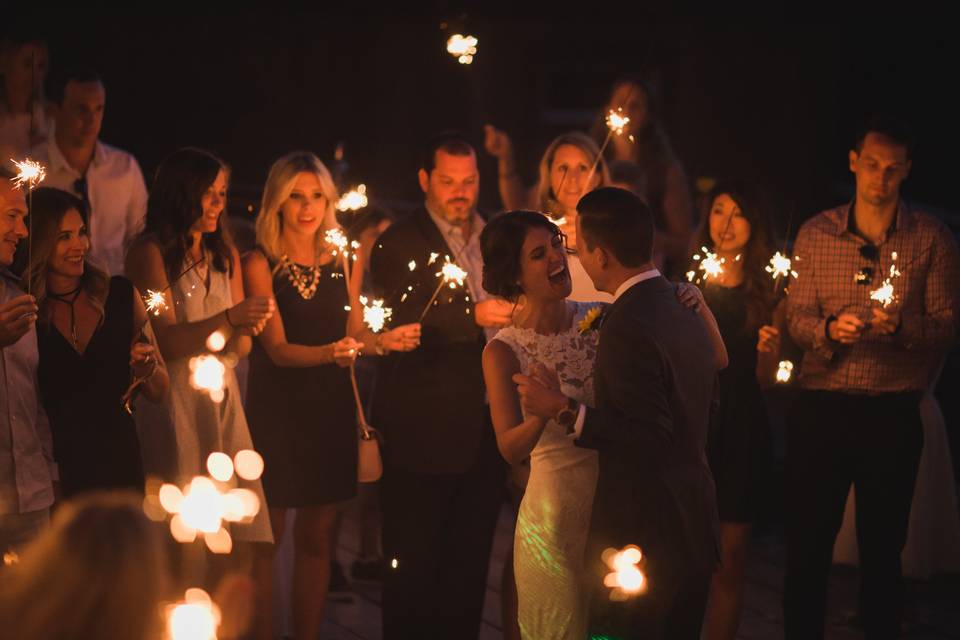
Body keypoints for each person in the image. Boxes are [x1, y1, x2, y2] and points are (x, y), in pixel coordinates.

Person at [481, 209, 720, 638]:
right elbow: (509, 449)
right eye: (539, 254)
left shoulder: (606, 317)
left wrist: (697, 308)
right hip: (553, 520)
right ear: (514, 275)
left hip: (619, 510)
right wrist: (539, 415)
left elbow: (714, 361)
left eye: (557, 242)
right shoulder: (503, 351)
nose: (557, 256)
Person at [785, 117, 960, 639]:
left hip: (891, 411)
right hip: (823, 406)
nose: (880, 178)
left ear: (907, 171)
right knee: (807, 547)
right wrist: (829, 329)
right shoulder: (817, 233)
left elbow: (948, 325)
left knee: (884, 550)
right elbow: (794, 317)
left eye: (893, 168)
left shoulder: (931, 238)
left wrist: (903, 326)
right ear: (853, 162)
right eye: (872, 164)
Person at [242, 152, 418, 640]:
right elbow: (275, 349)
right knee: (267, 539)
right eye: (295, 196)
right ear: (276, 201)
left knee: (318, 535)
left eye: (316, 196)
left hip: (330, 408)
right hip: (278, 410)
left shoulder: (345, 256)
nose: (307, 207)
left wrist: (383, 341)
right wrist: (331, 354)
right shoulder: (259, 262)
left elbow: (355, 332)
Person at [369, 132, 509, 638]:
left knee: (469, 570)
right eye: (448, 181)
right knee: (412, 569)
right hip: (420, 431)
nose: (460, 192)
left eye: (469, 181)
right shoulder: (399, 239)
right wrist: (473, 316)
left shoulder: (496, 236)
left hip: (485, 430)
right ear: (425, 179)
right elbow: (394, 318)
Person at [125, 147, 274, 544]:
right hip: (173, 400)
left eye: (222, 193)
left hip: (221, 398)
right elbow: (168, 342)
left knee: (232, 535)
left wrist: (249, 326)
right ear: (180, 193)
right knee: (180, 532)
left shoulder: (223, 255)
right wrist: (230, 319)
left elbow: (240, 348)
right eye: (208, 192)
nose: (217, 204)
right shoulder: (149, 254)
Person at [23, 187, 168, 498]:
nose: (79, 246)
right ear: (39, 241)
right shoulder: (27, 311)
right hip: (59, 473)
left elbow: (160, 389)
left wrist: (147, 368)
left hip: (120, 461)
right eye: (64, 237)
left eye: (82, 233)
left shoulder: (120, 295)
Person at [691, 181, 780, 640]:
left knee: (730, 559)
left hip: (741, 426)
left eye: (737, 214)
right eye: (718, 211)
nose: (725, 224)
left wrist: (772, 352)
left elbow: (768, 381)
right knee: (684, 558)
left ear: (755, 223)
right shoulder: (689, 280)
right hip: (694, 425)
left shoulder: (770, 288)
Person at [35, 68, 147, 276]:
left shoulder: (124, 168)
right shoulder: (33, 169)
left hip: (114, 286)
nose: (91, 120)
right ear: (56, 110)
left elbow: (140, 237)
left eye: (98, 109)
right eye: (81, 109)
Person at [484, 129, 613, 302]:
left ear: (597, 177)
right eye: (563, 168)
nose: (572, 178)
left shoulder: (615, 231)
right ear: (549, 176)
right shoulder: (536, 235)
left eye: (582, 168)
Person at [0, 167, 54, 552]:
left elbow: (32, 397)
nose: (22, 231)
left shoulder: (16, 294)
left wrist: (48, 471)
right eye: (10, 216)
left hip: (31, 499)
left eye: (24, 219)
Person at [591, 77, 694, 276]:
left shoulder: (665, 169)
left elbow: (685, 243)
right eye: (620, 104)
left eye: (635, 106)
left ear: (647, 116)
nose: (626, 112)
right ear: (607, 110)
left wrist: (642, 235)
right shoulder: (591, 163)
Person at [0, 31, 50, 159]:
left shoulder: (49, 117)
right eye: (27, 64)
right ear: (5, 64)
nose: (35, 74)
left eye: (40, 66)